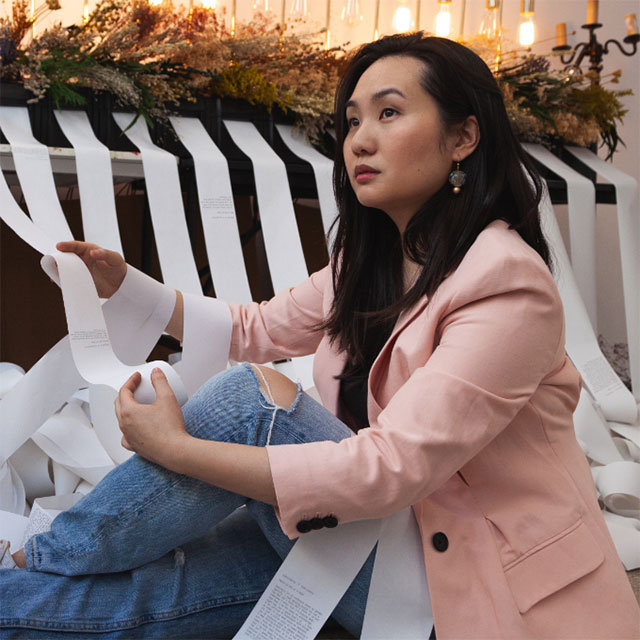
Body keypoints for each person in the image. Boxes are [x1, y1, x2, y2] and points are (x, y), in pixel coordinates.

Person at [1, 32, 638, 639]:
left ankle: (41, 554)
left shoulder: (506, 285)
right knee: (150, 595)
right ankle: (20, 582)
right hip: (365, 536)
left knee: (249, 404)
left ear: (463, 137)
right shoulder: (373, 265)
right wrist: (124, 283)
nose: (360, 140)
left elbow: (391, 468)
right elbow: (254, 327)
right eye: (353, 122)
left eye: (389, 114)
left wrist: (176, 449)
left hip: (467, 590)